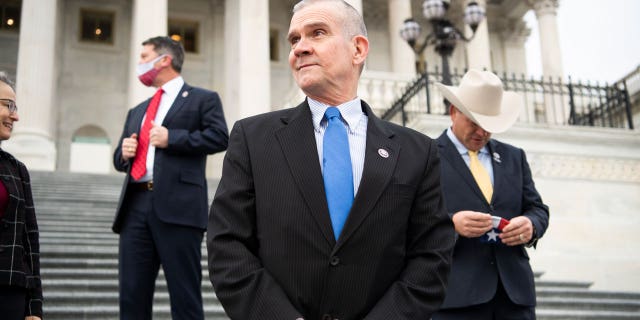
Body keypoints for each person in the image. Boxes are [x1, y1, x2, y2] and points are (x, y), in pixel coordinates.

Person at [207, 1, 455, 319]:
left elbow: (431, 255)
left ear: (358, 49)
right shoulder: (253, 139)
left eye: (317, 33)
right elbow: (227, 246)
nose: (300, 48)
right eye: (294, 39)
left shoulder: (417, 151)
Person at [112, 36, 228, 320]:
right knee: (131, 294)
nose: (139, 63)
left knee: (184, 294)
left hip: (179, 208)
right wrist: (124, 153)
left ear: (164, 60)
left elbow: (220, 137)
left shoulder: (203, 98)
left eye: (144, 56)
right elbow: (119, 159)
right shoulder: (137, 110)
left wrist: (172, 138)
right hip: (135, 205)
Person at [432, 69, 550, 320]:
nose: (482, 132)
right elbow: (409, 217)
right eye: (474, 122)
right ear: (453, 112)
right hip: (456, 298)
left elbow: (538, 209)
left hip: (515, 298)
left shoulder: (514, 157)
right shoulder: (426, 156)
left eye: (489, 126)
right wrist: (451, 224)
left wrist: (531, 225)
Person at [0, 71, 43, 320]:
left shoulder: (16, 169)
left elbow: (30, 244)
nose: (15, 115)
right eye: (8, 105)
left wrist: (34, 309)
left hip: (9, 294)